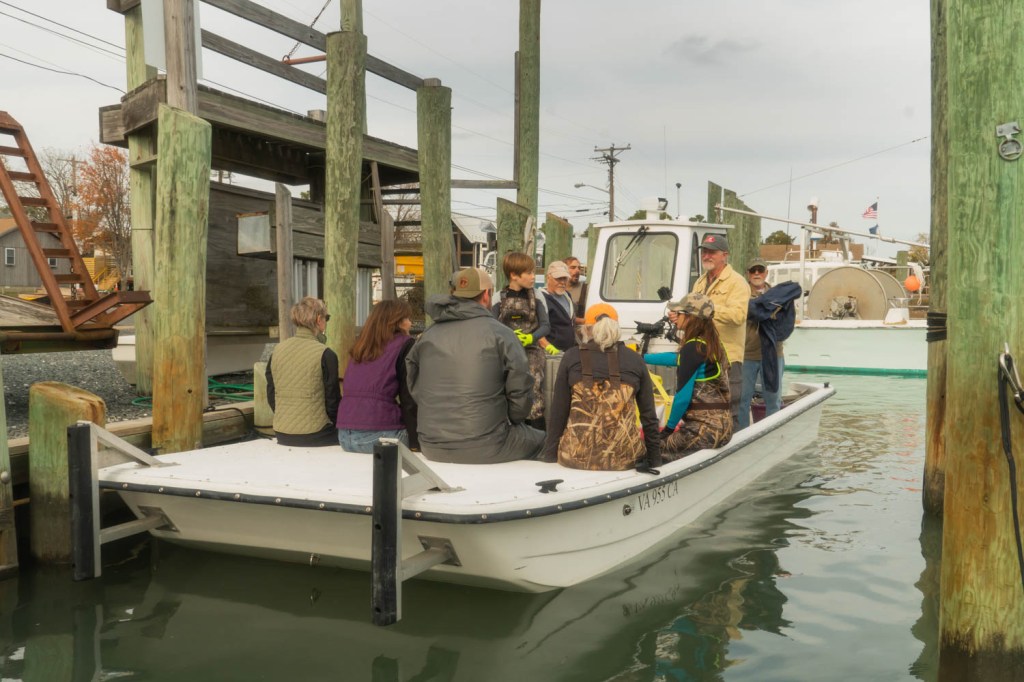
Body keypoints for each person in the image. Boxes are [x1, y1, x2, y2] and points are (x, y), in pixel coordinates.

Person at [407, 266, 545, 463]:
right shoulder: (501, 333)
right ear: (486, 295)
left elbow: (414, 383)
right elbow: (521, 390)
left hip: (430, 444)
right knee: (547, 441)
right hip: (486, 444)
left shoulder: (427, 335)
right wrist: (514, 419)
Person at [545, 303, 661, 470]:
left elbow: (558, 412)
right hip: (623, 461)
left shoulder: (571, 356)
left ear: (586, 329)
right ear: (616, 328)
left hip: (574, 460)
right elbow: (649, 417)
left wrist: (549, 457)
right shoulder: (635, 359)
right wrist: (656, 462)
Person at [644, 292, 732, 459]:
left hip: (702, 432)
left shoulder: (692, 348)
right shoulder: (712, 344)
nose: (675, 317)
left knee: (645, 449)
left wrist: (668, 430)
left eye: (679, 313)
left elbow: (682, 399)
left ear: (691, 317)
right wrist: (643, 358)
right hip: (723, 428)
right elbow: (679, 359)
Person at [335, 300, 419, 453]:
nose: (410, 323)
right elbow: (409, 397)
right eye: (407, 318)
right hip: (378, 436)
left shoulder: (360, 346)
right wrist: (415, 442)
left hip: (344, 436)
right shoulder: (405, 344)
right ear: (397, 322)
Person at [691, 233, 749, 429]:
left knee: (729, 410)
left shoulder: (737, 282)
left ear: (725, 255)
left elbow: (738, 316)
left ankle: (737, 445)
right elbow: (694, 313)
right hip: (702, 355)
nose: (706, 256)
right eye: (704, 252)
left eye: (712, 252)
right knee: (704, 409)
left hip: (728, 359)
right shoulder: (700, 282)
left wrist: (709, 309)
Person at [266, 297, 340, 447]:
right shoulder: (326, 354)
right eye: (326, 318)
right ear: (319, 319)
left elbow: (271, 393)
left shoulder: (277, 351)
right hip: (317, 433)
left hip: (282, 433)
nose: (326, 322)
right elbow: (332, 402)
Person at [493, 251, 554, 429]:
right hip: (506, 352)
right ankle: (510, 429)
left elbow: (546, 326)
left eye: (533, 272)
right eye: (529, 273)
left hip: (532, 351)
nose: (533, 276)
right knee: (508, 388)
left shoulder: (537, 296)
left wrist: (530, 337)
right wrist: (509, 337)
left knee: (533, 388)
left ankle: (537, 431)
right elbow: (492, 326)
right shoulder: (498, 297)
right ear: (514, 275)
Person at [740, 261, 801, 429]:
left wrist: (761, 311)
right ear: (748, 274)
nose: (756, 273)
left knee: (773, 399)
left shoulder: (781, 295)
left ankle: (771, 433)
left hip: (774, 354)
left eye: (760, 270)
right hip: (747, 355)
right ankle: (741, 435)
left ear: (766, 273)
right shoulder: (740, 294)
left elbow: (787, 323)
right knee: (742, 400)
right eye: (753, 270)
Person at [540, 260, 576, 351]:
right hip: (551, 352)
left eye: (565, 278)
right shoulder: (540, 299)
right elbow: (536, 328)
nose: (562, 282)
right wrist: (548, 347)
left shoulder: (567, 295)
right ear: (548, 278)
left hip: (569, 350)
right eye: (559, 278)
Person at [563, 256, 588, 324]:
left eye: (579, 268)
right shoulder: (556, 290)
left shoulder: (585, 289)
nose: (577, 270)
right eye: (573, 267)